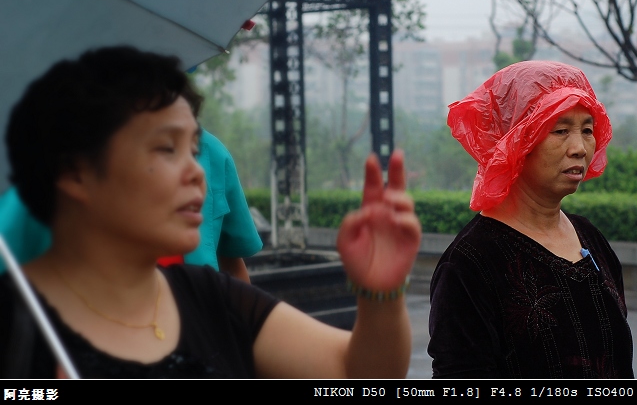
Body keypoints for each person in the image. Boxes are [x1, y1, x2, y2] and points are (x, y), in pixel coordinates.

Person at [0, 46, 420, 378]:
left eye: (195, 150)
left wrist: (380, 295)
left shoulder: (209, 297)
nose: (197, 174)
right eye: (167, 148)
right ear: (75, 171)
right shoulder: (18, 327)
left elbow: (358, 373)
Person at [427, 60, 634, 379]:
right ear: (515, 141)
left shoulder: (590, 238)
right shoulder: (470, 265)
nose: (579, 148)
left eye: (587, 130)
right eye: (561, 130)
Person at [0, 128, 262, 282]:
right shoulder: (37, 171)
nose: (195, 173)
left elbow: (231, 267)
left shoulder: (211, 152)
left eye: (192, 151)